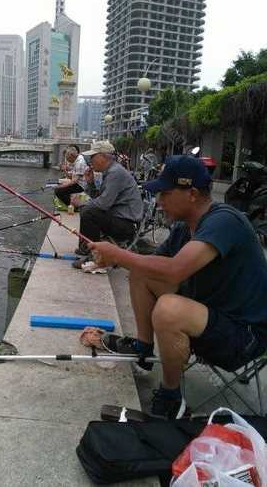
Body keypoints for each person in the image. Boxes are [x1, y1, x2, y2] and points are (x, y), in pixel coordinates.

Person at [89, 155, 267, 419]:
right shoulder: (184, 229)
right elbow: (154, 266)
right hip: (210, 317)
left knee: (169, 309)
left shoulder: (225, 221)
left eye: (165, 193)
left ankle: (171, 397)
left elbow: (176, 270)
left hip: (244, 337)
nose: (159, 203)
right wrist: (114, 258)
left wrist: (117, 254)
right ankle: (143, 348)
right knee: (142, 271)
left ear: (192, 193)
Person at [71, 140, 143, 258]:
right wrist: (91, 184)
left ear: (103, 157)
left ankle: (92, 253)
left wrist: (81, 202)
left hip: (125, 225)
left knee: (88, 211)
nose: (90, 161)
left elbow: (103, 204)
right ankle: (86, 247)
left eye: (92, 157)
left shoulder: (115, 173)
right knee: (88, 209)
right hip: (120, 220)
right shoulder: (111, 171)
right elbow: (101, 199)